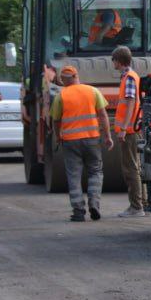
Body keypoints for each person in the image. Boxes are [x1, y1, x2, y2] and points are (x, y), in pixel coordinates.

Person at [50, 64, 114, 222]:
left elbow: (56, 120)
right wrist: (107, 136)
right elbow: (103, 115)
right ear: (76, 76)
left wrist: (58, 136)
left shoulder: (61, 96)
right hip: (92, 138)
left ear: (64, 81)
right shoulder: (93, 91)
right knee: (95, 172)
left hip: (70, 142)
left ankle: (78, 211)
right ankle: (94, 204)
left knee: (74, 175)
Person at [110, 46, 147, 218]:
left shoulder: (129, 78)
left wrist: (123, 129)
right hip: (132, 129)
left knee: (130, 168)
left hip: (130, 130)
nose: (113, 63)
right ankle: (142, 204)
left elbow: (131, 103)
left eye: (114, 60)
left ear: (118, 61)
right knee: (135, 167)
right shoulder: (128, 77)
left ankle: (136, 207)